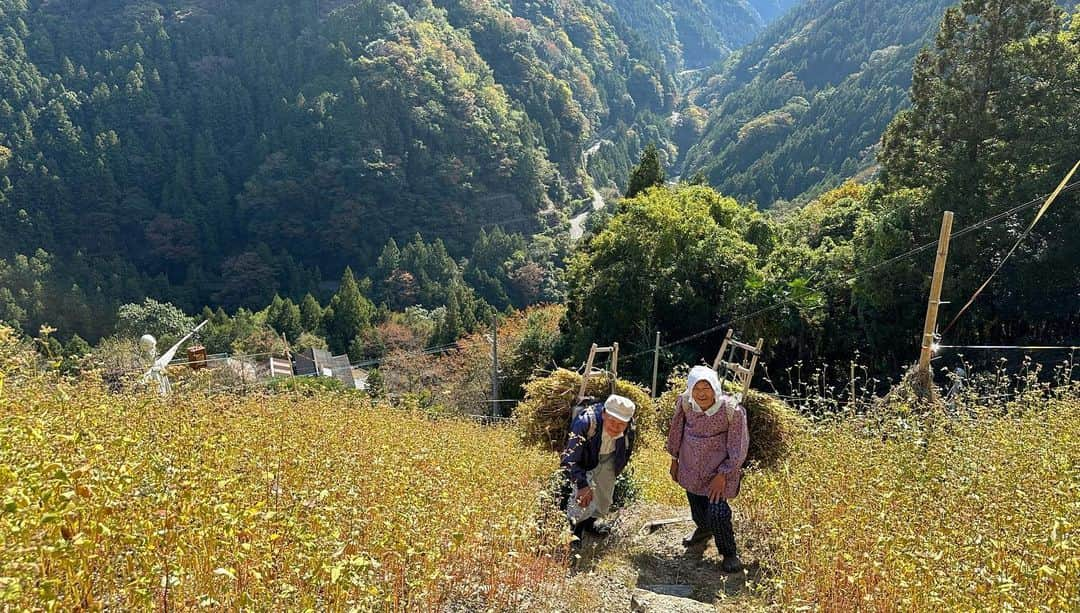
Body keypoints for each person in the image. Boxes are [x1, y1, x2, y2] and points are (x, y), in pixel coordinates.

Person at [666, 365, 748, 573]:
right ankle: (703, 530)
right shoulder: (685, 404)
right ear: (690, 389)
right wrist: (674, 459)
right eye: (697, 388)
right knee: (696, 505)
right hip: (690, 465)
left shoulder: (731, 410)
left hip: (718, 472)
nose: (702, 394)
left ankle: (729, 553)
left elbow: (738, 445)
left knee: (718, 512)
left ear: (716, 388)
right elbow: (677, 430)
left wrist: (724, 474)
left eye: (707, 388)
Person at [561, 394, 637, 544]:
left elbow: (626, 452)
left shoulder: (630, 428)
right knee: (582, 497)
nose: (615, 427)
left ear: (627, 422)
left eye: (621, 424)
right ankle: (575, 532)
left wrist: (617, 469)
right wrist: (582, 484)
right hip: (584, 458)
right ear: (603, 414)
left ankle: (589, 525)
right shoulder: (586, 422)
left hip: (609, 457)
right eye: (612, 421)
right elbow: (570, 458)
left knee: (603, 498)